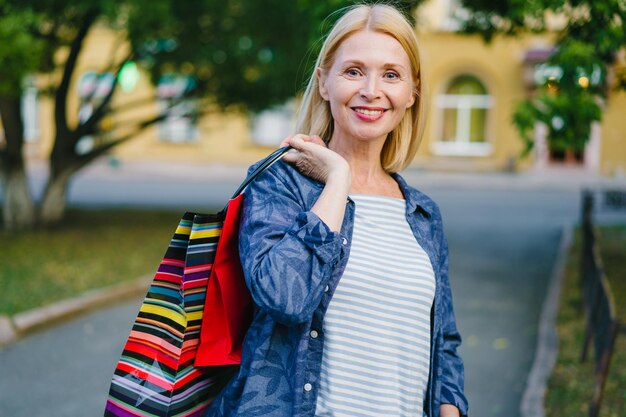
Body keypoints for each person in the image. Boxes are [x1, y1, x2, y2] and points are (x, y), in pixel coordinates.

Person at [207, 3, 468, 416]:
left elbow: (444, 342)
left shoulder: (422, 214)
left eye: (391, 74)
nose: (371, 89)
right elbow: (285, 297)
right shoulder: (279, 184)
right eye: (353, 71)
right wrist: (338, 179)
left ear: (412, 92)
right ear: (324, 82)